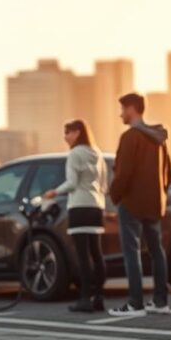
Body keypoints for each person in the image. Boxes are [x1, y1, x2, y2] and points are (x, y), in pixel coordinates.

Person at [108, 93, 171, 317]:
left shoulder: (130, 137)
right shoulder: (159, 138)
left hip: (132, 203)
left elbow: (123, 173)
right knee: (156, 251)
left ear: (133, 109)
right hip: (155, 204)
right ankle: (161, 302)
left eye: (123, 109)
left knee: (131, 252)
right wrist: (161, 195)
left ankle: (135, 303)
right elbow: (168, 172)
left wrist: (114, 196)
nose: (121, 114)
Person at [43, 119, 107, 313]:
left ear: (78, 132)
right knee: (97, 254)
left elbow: (71, 183)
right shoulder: (97, 153)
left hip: (79, 206)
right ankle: (99, 298)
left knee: (82, 255)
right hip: (96, 206)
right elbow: (104, 184)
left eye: (68, 133)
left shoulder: (74, 154)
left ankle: (85, 299)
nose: (65, 137)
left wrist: (54, 192)